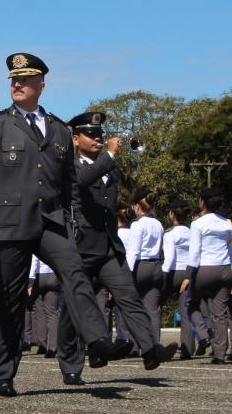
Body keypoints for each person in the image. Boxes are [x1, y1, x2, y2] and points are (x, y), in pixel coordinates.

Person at [0, 53, 124, 396]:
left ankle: (96, 341)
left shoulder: (61, 130)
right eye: (13, 80)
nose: (16, 84)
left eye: (25, 79)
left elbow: (70, 182)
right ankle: (5, 373)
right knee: (10, 298)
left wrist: (71, 215)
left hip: (51, 219)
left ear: (41, 85)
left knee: (75, 271)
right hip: (11, 221)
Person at [56, 112, 176, 384]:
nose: (98, 139)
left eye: (100, 135)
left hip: (109, 244)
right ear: (75, 138)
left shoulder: (108, 166)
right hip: (81, 245)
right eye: (91, 135)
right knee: (75, 309)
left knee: (128, 295)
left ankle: (149, 350)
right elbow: (83, 181)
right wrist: (108, 156)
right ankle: (72, 365)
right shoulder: (69, 163)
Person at [181, 188, 231, 364]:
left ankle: (204, 333)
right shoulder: (228, 223)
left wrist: (188, 276)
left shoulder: (198, 224)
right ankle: (220, 354)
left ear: (202, 202)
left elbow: (194, 253)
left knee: (190, 302)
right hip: (225, 268)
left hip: (205, 269)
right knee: (220, 313)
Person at [126, 191, 165, 347]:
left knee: (135, 306)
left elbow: (133, 251)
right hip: (156, 265)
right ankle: (155, 344)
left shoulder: (137, 224)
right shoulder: (159, 224)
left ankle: (136, 344)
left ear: (137, 207)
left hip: (140, 266)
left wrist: (126, 273)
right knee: (153, 309)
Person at [162, 200, 194, 358]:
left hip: (173, 273)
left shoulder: (169, 234)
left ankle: (152, 345)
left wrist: (161, 275)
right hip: (187, 273)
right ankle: (187, 349)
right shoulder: (191, 232)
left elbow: (169, 258)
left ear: (171, 214)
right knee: (186, 311)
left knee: (154, 305)